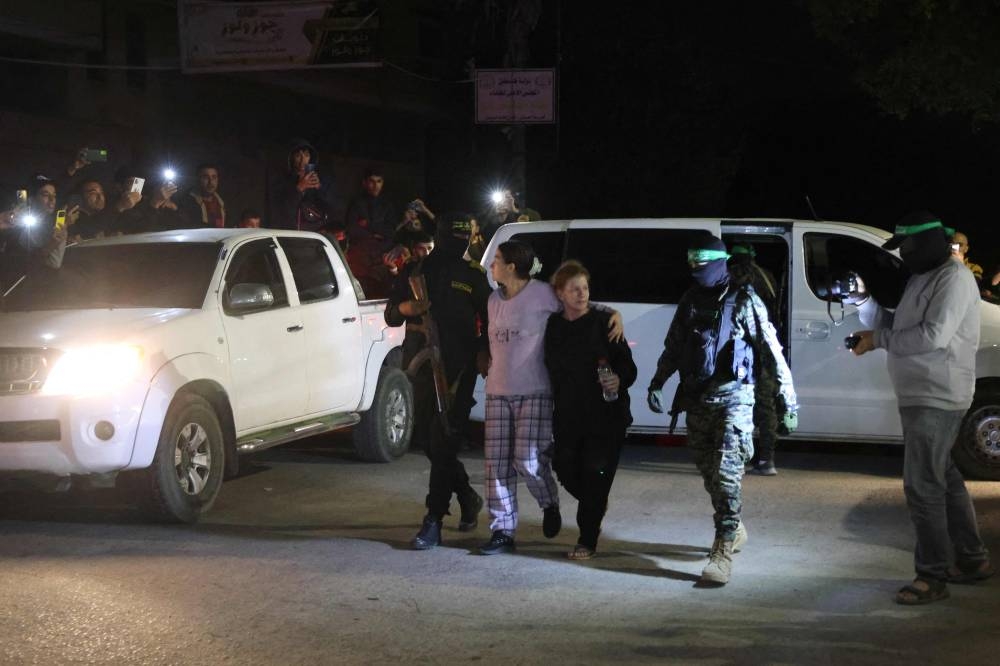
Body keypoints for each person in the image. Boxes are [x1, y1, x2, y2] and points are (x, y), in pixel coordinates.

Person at [850, 211, 993, 605]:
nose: (903, 257)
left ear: (926, 244)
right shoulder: (923, 277)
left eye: (907, 248)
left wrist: (878, 339)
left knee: (922, 486)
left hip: (938, 395)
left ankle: (931, 576)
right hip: (921, 394)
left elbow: (933, 336)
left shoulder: (953, 278)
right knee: (942, 478)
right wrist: (865, 302)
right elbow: (900, 324)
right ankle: (972, 560)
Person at [647, 234, 797, 585]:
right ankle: (735, 526)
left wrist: (787, 401)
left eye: (703, 262)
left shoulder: (746, 300)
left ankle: (723, 549)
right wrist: (658, 381)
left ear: (720, 261)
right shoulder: (690, 300)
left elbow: (773, 353)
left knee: (728, 474)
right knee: (709, 471)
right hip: (697, 399)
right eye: (692, 263)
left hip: (735, 400)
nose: (696, 268)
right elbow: (675, 346)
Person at [479, 240, 623, 555]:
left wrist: (613, 313)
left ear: (511, 266)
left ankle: (549, 502)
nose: (491, 266)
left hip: (535, 391)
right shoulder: (492, 300)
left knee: (528, 460)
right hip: (497, 392)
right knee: (496, 466)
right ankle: (502, 530)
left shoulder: (542, 293)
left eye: (496, 260)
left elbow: (578, 308)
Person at [384, 218, 490, 550]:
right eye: (455, 236)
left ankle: (434, 518)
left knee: (444, 440)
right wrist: (408, 307)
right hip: (422, 365)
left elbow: (490, 318)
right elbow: (390, 315)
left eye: (465, 236)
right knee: (430, 444)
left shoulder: (473, 277)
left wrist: (485, 351)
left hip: (458, 370)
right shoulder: (415, 271)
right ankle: (468, 496)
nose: (461, 241)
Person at [544, 260, 637, 559]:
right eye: (574, 289)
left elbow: (628, 366)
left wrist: (618, 380)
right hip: (568, 415)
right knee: (564, 467)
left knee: (596, 473)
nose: (581, 294)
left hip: (606, 417)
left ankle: (587, 539)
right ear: (560, 293)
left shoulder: (604, 323)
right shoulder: (554, 325)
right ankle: (594, 502)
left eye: (585, 288)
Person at [728, 243, 781, 476]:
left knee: (739, 404)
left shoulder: (730, 275)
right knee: (766, 406)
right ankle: (766, 460)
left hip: (742, 350)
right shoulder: (766, 276)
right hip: (766, 348)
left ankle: (740, 458)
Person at [344, 165, 397, 298]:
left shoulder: (388, 205)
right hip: (361, 262)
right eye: (372, 181)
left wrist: (368, 225)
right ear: (365, 183)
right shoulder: (357, 203)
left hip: (382, 262)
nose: (375, 185)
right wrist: (376, 234)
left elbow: (390, 232)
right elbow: (352, 230)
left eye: (379, 181)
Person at [269, 138, 335, 234]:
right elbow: (280, 211)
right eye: (298, 156)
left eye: (306, 155)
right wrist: (299, 189)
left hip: (313, 235)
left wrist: (319, 188)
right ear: (291, 158)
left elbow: (332, 208)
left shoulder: (318, 179)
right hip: (290, 235)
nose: (303, 160)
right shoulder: (282, 181)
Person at [179, 163, 226, 228]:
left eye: (214, 177)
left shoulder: (222, 203)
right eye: (206, 177)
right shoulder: (186, 202)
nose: (211, 182)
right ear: (197, 179)